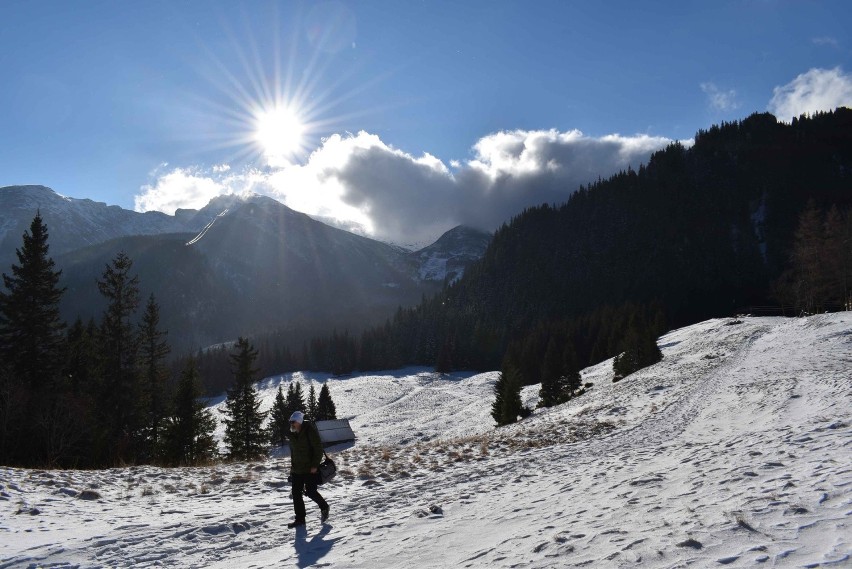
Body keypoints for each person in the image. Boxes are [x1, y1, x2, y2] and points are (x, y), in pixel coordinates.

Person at [285, 410, 330, 528]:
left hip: (310, 469)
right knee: (296, 494)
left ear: (299, 421)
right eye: (290, 422)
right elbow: (294, 453)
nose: (291, 424)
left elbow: (318, 448)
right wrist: (292, 469)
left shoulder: (309, 431)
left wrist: (315, 465)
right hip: (297, 470)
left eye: (293, 422)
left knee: (310, 492)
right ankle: (300, 519)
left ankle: (324, 507)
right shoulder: (292, 433)